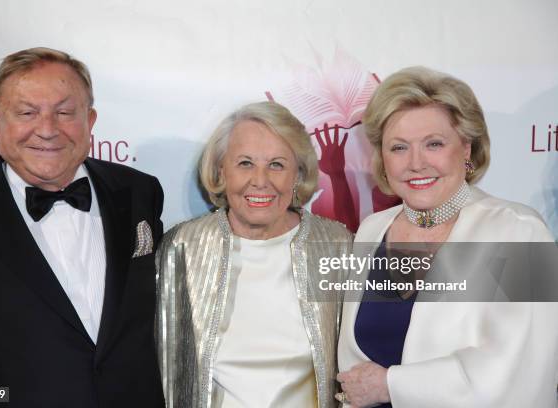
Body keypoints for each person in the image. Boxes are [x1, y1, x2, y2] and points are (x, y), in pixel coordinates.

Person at [0, 47, 165, 407]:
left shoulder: (140, 193)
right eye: (27, 112)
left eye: (65, 112)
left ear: (90, 120)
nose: (47, 130)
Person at [336, 67, 558, 407]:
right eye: (398, 148)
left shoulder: (519, 230)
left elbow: (519, 371)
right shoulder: (372, 229)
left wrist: (389, 385)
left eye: (434, 144)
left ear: (466, 148)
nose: (416, 163)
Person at [156, 101, 353, 407]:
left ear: (298, 174)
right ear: (222, 171)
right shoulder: (182, 246)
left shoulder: (337, 246)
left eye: (276, 164)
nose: (260, 180)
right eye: (245, 163)